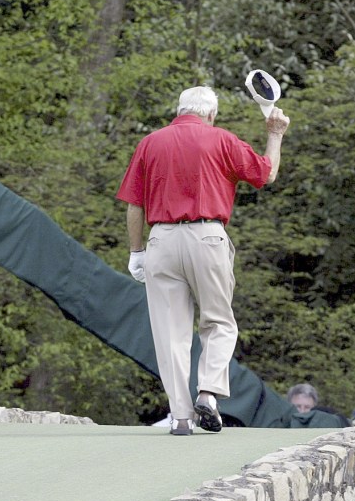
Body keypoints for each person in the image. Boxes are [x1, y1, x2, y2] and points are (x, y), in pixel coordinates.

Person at [117, 85, 290, 435]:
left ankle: (181, 417)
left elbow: (134, 204)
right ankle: (208, 393)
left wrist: (136, 252)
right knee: (219, 322)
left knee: (170, 333)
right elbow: (266, 174)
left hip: (161, 240)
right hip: (207, 236)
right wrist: (275, 134)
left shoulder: (150, 143)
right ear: (210, 114)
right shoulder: (221, 139)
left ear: (179, 110)